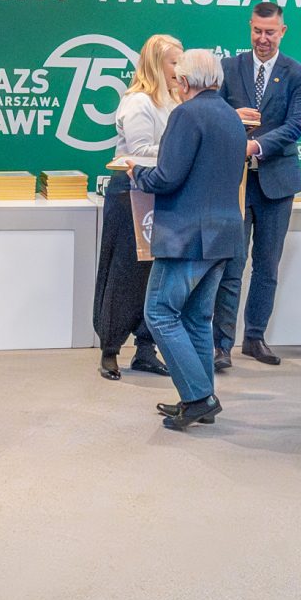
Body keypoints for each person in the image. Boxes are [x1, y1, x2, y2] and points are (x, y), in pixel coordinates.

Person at [134, 49, 248, 431]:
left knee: (159, 312)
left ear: (184, 81)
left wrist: (137, 174)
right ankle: (199, 398)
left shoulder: (185, 115)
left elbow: (167, 177)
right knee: (197, 318)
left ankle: (199, 397)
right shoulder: (231, 117)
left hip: (187, 234)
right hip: (225, 232)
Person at [212, 0, 301, 368]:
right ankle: (221, 345)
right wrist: (232, 117)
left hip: (277, 183)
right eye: (257, 30)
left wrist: (255, 145)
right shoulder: (229, 67)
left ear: (282, 32)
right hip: (236, 183)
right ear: (250, 27)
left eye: (270, 32)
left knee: (267, 266)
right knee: (232, 264)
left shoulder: (298, 73)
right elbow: (212, 114)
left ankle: (254, 337)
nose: (263, 38)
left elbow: (295, 126)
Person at [95, 33, 179, 381]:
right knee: (125, 273)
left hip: (161, 193)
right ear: (157, 64)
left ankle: (146, 349)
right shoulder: (138, 101)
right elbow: (139, 150)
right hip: (130, 193)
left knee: (155, 275)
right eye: (174, 62)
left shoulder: (174, 100)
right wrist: (181, 152)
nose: (180, 69)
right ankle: (110, 349)